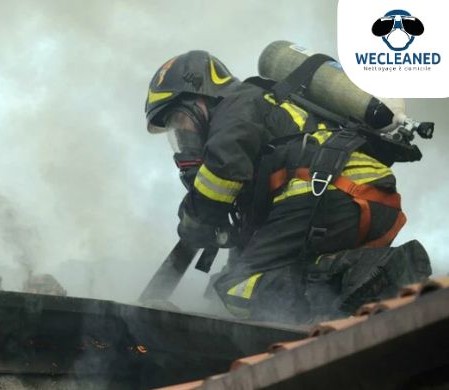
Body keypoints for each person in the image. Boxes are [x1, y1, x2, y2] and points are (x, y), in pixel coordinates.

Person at [145, 51, 431, 323]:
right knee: (234, 281)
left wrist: (195, 217)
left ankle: (370, 269)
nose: (182, 139)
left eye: (180, 121)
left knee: (236, 289)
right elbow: (250, 247)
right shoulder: (264, 111)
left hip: (330, 190)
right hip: (353, 195)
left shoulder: (237, 103)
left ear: (202, 98)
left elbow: (222, 172)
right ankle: (353, 291)